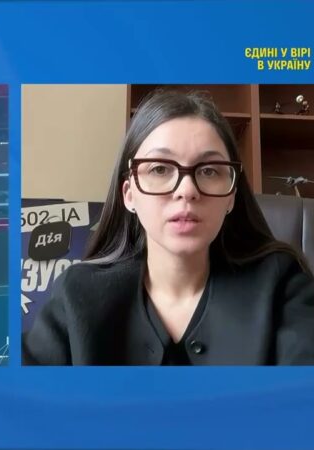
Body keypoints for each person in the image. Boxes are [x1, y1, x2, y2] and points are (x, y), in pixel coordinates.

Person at [23, 90, 314, 365]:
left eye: (209, 170)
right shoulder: (77, 294)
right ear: (129, 195)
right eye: (160, 169)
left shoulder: (282, 285)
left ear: (231, 197)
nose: (187, 190)